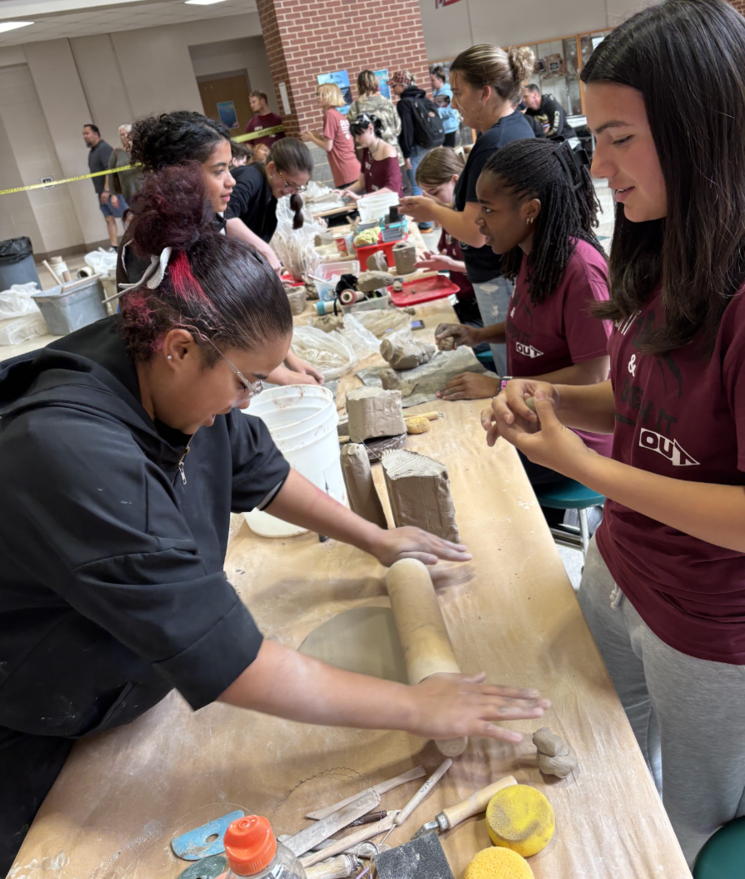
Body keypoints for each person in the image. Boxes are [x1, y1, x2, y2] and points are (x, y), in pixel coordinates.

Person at [0, 166, 550, 872]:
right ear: (180, 349)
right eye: (246, 383)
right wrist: (420, 707)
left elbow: (253, 465)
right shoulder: (71, 452)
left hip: (126, 669)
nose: (247, 401)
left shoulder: (168, 360)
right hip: (38, 721)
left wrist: (377, 539)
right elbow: (232, 659)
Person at [485, 0, 745, 866]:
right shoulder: (668, 244)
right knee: (601, 768)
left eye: (619, 138)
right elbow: (639, 401)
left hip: (708, 629)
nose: (597, 167)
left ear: (703, 130)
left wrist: (585, 470)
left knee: (687, 831)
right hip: (619, 568)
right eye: (593, 138)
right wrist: (548, 403)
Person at [437, 139, 612, 513]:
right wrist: (477, 334)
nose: (479, 220)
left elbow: (594, 374)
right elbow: (529, 326)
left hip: (573, 437)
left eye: (488, 209)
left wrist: (499, 385)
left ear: (531, 210)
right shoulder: (533, 253)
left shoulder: (580, 271)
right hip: (530, 413)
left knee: (465, 471)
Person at [123, 113, 321, 388]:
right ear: (179, 175)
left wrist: (288, 359)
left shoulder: (206, 222)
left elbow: (240, 311)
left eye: (229, 168)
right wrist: (281, 375)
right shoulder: (160, 243)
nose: (232, 181)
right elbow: (210, 339)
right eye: (219, 171)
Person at [400, 44, 537, 375]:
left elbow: (476, 232)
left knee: (511, 367)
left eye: (458, 93)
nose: (453, 104)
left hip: (500, 274)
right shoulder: (514, 127)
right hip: (508, 270)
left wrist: (432, 210)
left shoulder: (493, 144)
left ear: (484, 93)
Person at [413, 147, 482, 329]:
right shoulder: (448, 214)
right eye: (425, 195)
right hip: (464, 302)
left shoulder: (475, 220)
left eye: (434, 193)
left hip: (485, 308)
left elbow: (494, 272)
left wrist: (451, 265)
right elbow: (451, 255)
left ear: (455, 181)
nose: (430, 201)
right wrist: (440, 262)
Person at [390, 70, 440, 228]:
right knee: (431, 183)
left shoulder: (404, 103)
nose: (392, 89)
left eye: (394, 86)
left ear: (402, 85)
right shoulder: (424, 99)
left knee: (416, 186)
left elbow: (407, 130)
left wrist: (406, 154)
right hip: (430, 145)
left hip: (416, 148)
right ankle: (439, 218)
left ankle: (425, 224)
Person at [301, 83, 360, 190]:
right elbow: (336, 142)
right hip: (352, 168)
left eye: (322, 95)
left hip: (345, 171)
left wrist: (311, 138)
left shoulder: (329, 115)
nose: (318, 97)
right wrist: (318, 137)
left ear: (331, 96)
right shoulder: (338, 115)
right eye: (317, 94)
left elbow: (328, 146)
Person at [347, 70, 404, 169]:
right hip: (394, 156)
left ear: (359, 85)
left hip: (372, 160)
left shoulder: (355, 107)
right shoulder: (388, 103)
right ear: (376, 83)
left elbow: (354, 133)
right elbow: (398, 129)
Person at [342, 113, 403, 199]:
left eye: (359, 135)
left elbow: (393, 189)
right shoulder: (367, 150)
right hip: (374, 203)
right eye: (355, 136)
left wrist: (361, 198)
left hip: (390, 204)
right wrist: (343, 192)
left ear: (371, 128)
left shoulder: (388, 151)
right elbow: (362, 183)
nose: (357, 140)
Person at [83, 123, 121, 250]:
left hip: (111, 190)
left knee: (127, 216)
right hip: (101, 192)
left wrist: (107, 190)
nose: (84, 136)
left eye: (87, 133)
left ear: (96, 134)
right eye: (83, 134)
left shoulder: (104, 148)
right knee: (109, 218)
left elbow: (109, 169)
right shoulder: (93, 152)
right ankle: (114, 246)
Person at [104, 124, 144, 215]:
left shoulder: (141, 148)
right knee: (139, 217)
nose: (125, 136)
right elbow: (111, 175)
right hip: (129, 193)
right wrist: (113, 195)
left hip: (146, 189)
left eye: (128, 133)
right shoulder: (116, 153)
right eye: (122, 134)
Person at [430, 66, 460, 147]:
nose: (431, 83)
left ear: (440, 80)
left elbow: (450, 111)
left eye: (433, 80)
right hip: (444, 130)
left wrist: (435, 113)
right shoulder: (437, 93)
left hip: (449, 130)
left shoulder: (445, 93)